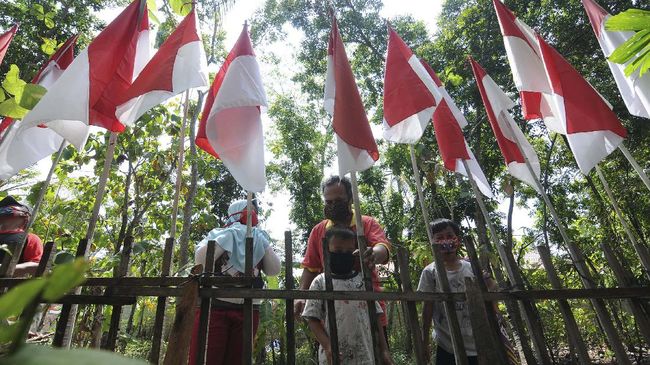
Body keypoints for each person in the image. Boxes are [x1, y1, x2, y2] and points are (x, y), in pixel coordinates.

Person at [188, 199, 281, 365]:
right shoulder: (218, 233)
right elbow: (201, 260)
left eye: (254, 211)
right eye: (248, 210)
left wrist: (264, 244)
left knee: (238, 360)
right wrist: (228, 237)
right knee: (206, 359)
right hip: (215, 306)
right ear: (236, 212)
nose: (253, 214)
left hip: (248, 309)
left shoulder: (259, 238)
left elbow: (274, 269)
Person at [295, 175, 391, 332]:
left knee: (376, 353)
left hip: (369, 307)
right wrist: (301, 295)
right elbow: (310, 267)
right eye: (328, 202)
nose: (333, 205)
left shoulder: (366, 223)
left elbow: (383, 248)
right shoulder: (318, 230)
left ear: (351, 199)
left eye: (338, 201)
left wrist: (373, 253)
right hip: (331, 310)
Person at [302, 226, 393, 365]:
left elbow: (376, 317)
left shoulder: (362, 281)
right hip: (334, 357)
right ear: (327, 251)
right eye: (338, 251)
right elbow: (311, 318)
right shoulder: (320, 282)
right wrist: (327, 345)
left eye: (349, 251)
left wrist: (384, 350)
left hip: (364, 356)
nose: (343, 254)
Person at [418, 218, 494, 365]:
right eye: (439, 238)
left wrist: (486, 277)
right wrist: (424, 340)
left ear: (457, 240)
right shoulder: (430, 272)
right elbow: (427, 309)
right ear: (432, 243)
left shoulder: (471, 267)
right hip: (447, 345)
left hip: (477, 343)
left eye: (449, 236)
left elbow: (491, 289)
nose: (446, 241)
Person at [0, 196, 43, 277]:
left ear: (25, 216)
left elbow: (36, 266)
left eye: (10, 207)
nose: (4, 210)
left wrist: (3, 269)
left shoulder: (30, 238)